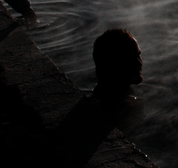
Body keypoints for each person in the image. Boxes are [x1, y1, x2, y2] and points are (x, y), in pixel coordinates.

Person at [54, 29, 144, 166]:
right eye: (131, 58)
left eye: (138, 55)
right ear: (113, 65)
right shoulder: (111, 112)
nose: (139, 63)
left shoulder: (103, 100)